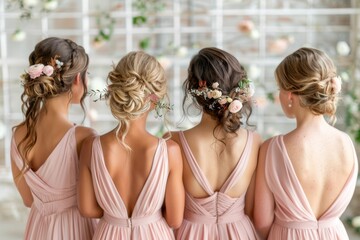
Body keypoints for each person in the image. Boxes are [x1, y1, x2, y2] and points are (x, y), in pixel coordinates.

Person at [254, 47, 359, 239]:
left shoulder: (273, 149)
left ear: (290, 95)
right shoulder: (346, 144)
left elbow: (261, 221)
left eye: (280, 89)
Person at [78, 51, 185, 239]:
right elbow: (175, 220)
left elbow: (87, 209)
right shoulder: (170, 151)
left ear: (116, 93)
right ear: (155, 99)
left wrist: (116, 218)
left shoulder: (91, 146)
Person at [170, 47, 261, 239]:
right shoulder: (254, 142)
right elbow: (253, 208)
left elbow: (169, 211)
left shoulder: (174, 142)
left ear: (194, 91)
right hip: (240, 233)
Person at [10, 37, 96, 239]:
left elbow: (28, 200)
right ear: (77, 80)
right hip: (77, 229)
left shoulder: (18, 135)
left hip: (39, 228)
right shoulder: (85, 137)